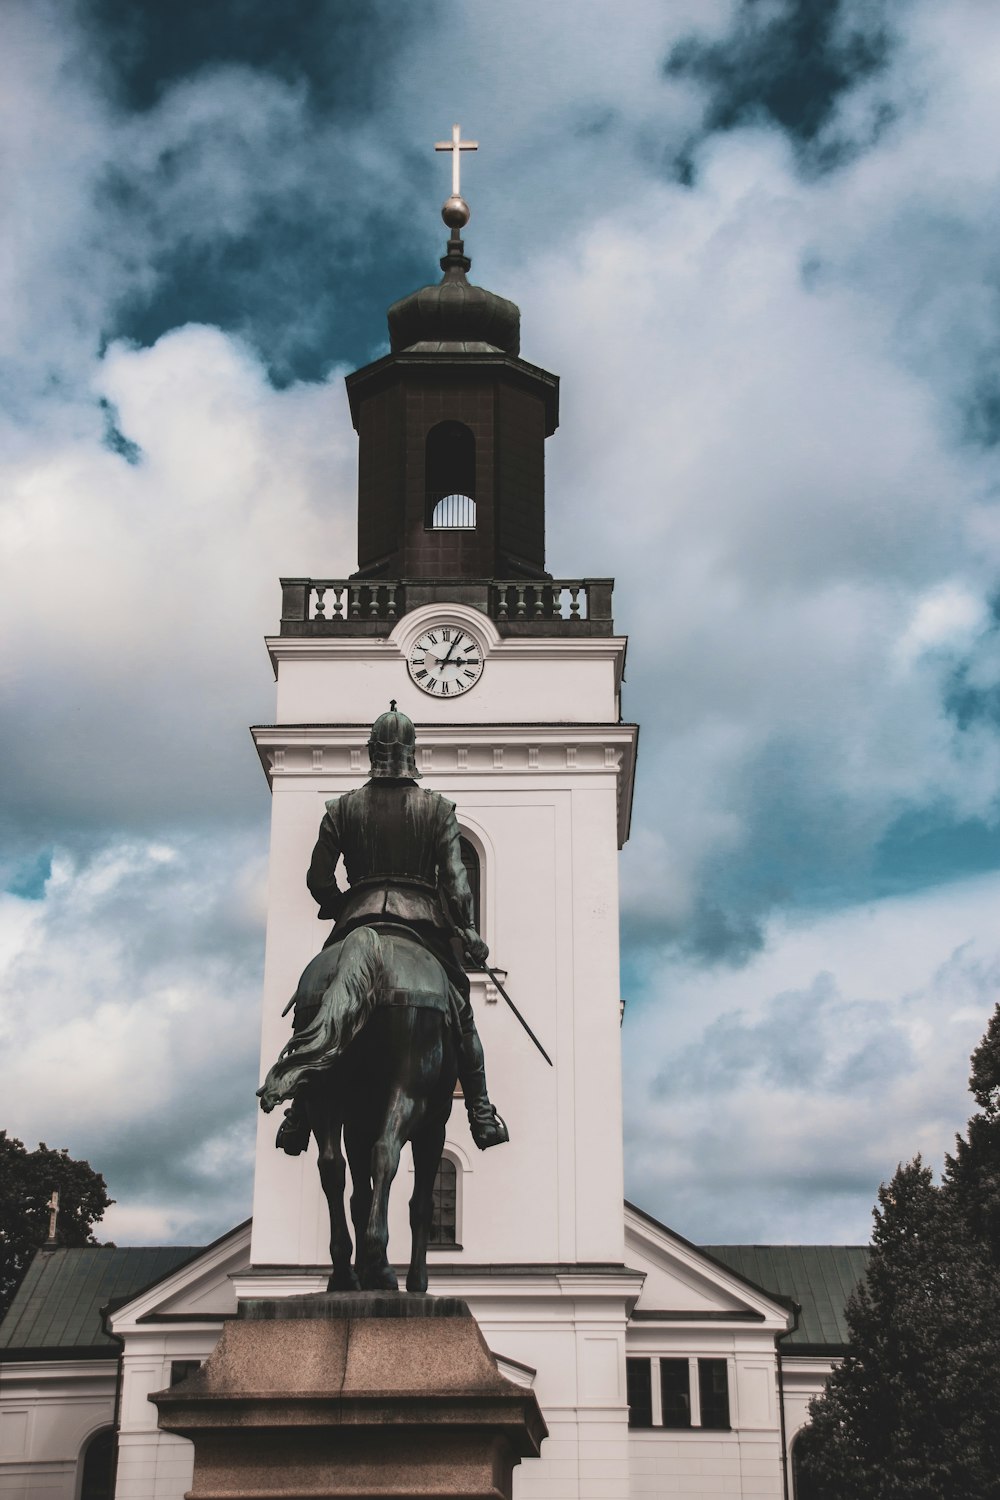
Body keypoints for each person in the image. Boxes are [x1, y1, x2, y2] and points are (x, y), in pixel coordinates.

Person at [274, 701, 509, 1154]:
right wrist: (470, 932)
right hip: (421, 922)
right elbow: (457, 884)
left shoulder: (342, 809)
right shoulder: (437, 809)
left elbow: (317, 879)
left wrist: (342, 905)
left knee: (314, 1004)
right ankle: (480, 1110)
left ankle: (299, 1113)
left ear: (371, 751)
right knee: (461, 1014)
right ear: (411, 752)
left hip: (356, 918)